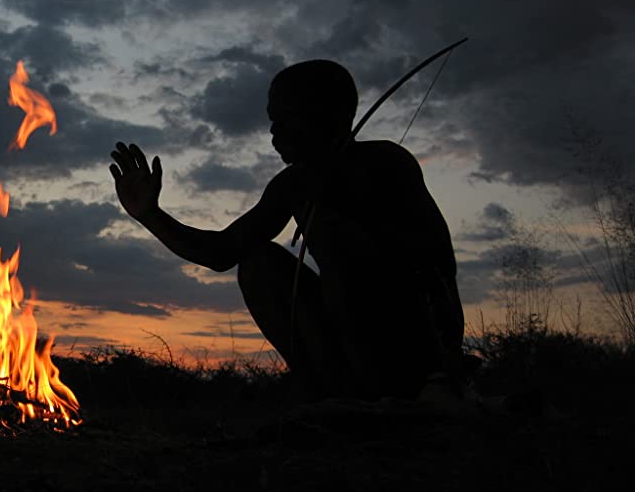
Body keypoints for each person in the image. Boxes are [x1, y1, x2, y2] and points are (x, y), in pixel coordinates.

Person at [109, 59, 465, 401]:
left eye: (287, 117)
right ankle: (329, 394)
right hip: (346, 349)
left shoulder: (387, 162)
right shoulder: (294, 183)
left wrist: (440, 370)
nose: (274, 131)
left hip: (412, 344)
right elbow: (222, 252)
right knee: (260, 264)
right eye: (272, 119)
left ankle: (404, 391)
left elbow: (429, 270)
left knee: (338, 237)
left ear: (330, 114)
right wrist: (150, 215)